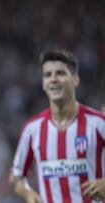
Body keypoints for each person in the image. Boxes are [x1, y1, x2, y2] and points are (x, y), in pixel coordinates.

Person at [9, 49, 105, 203]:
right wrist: (28, 193)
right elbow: (16, 175)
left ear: (75, 79)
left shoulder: (99, 123)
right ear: (43, 83)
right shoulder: (32, 129)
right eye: (48, 75)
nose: (53, 79)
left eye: (60, 73)